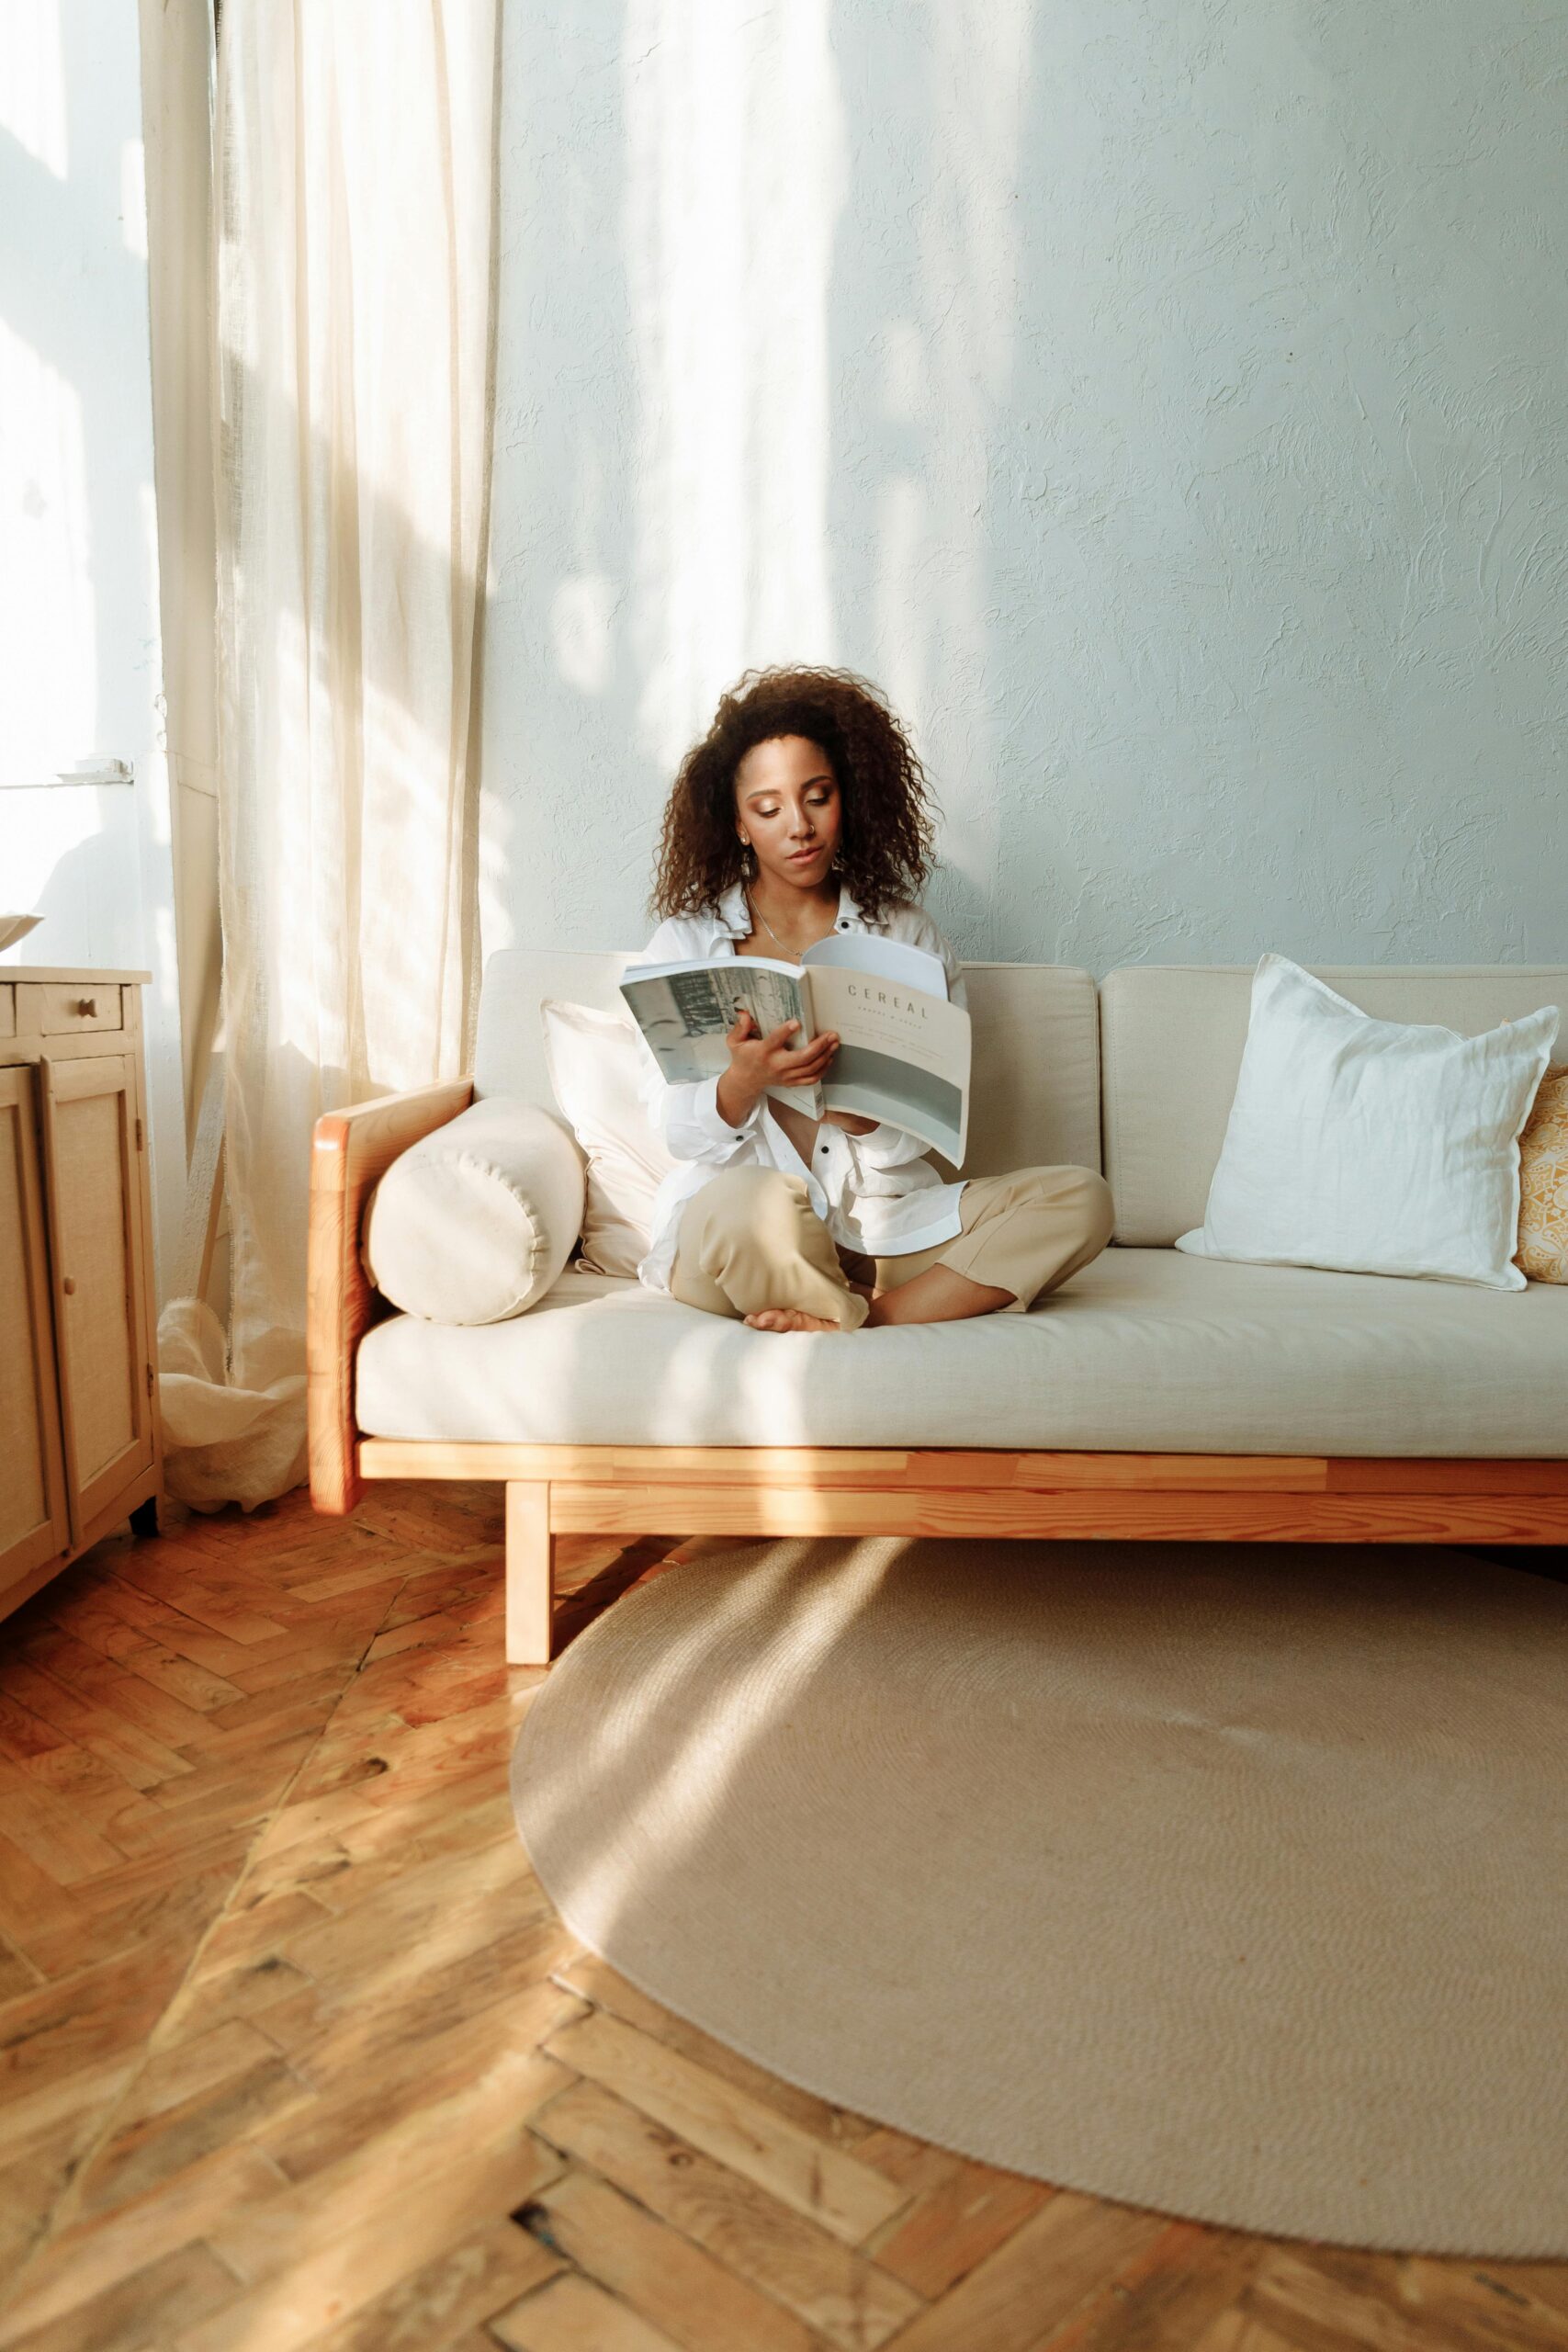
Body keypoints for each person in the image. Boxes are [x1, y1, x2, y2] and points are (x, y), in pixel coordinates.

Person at [629, 663, 1114, 1333]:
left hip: (881, 1233)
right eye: (767, 809)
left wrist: (864, 1114)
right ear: (738, 824)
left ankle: (858, 1317)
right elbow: (670, 1129)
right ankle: (858, 1314)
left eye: (817, 797)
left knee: (1079, 1199)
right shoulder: (684, 942)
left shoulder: (907, 935)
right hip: (740, 1232)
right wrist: (740, 1084)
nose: (797, 826)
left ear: (847, 800)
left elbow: (925, 1130)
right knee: (747, 1200)